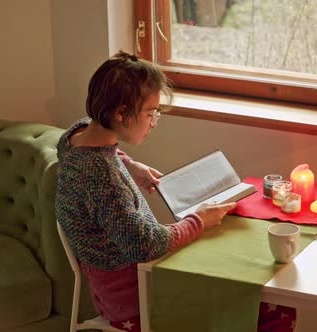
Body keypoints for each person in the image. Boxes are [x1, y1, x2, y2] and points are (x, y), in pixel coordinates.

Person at [55, 51, 236, 332]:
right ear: (120, 113)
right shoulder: (101, 176)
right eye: (151, 113)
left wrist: (129, 164)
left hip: (116, 286)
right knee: (262, 306)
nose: (154, 122)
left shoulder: (74, 139)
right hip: (134, 299)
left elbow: (97, 155)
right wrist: (198, 221)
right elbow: (144, 244)